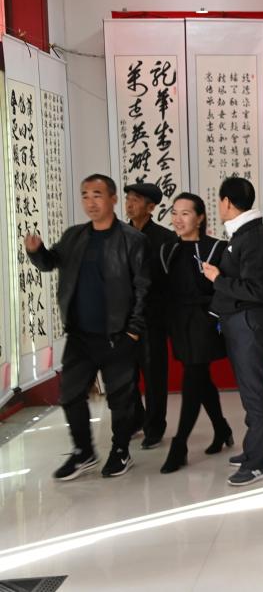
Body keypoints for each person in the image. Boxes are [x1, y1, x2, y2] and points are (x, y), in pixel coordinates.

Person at [25, 174, 150, 480]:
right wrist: (36, 252)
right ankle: (84, 452)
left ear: (113, 199)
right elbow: (49, 263)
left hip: (117, 334)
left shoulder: (132, 240)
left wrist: (133, 330)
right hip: (80, 335)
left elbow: (144, 288)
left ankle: (120, 450)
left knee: (120, 399)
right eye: (85, 195)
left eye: (97, 194)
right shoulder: (74, 237)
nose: (90, 202)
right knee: (70, 395)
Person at [202, 177, 263, 487]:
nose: (218, 206)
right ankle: (262, 449)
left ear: (227, 202)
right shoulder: (245, 234)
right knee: (252, 390)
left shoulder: (253, 237)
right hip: (241, 321)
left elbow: (256, 289)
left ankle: (259, 462)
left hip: (249, 321)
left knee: (255, 391)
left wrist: (217, 278)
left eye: (219, 201)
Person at [158, 193, 233, 474]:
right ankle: (222, 428)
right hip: (179, 323)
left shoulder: (217, 248)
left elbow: (224, 288)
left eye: (185, 213)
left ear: (200, 217)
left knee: (193, 377)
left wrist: (213, 315)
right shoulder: (168, 250)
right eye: (175, 213)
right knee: (200, 378)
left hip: (205, 323)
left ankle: (179, 445)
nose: (178, 219)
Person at [123, 182, 175, 450]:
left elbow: (170, 281)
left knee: (154, 375)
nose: (130, 204)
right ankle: (135, 419)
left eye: (136, 200)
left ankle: (154, 427)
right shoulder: (118, 235)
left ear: (151, 207)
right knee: (125, 373)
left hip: (153, 318)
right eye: (128, 199)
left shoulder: (165, 239)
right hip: (124, 318)